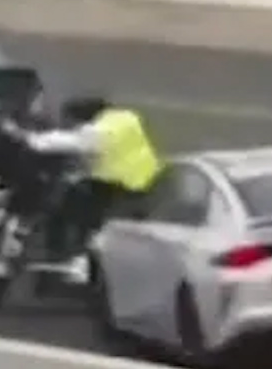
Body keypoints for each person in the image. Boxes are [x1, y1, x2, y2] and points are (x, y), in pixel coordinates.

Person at [12, 95, 163, 281]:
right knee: (80, 199)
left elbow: (65, 142)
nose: (67, 124)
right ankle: (78, 254)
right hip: (145, 181)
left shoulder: (98, 132)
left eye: (69, 120)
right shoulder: (126, 118)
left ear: (81, 118)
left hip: (116, 186)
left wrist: (24, 137)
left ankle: (71, 257)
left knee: (60, 209)